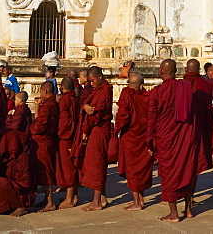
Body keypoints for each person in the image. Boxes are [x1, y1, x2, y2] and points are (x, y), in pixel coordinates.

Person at [148, 58, 199, 222]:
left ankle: (173, 213)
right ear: (176, 72)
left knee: (170, 173)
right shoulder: (185, 88)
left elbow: (152, 118)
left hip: (166, 138)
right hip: (184, 136)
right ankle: (189, 210)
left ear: (160, 72)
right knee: (186, 170)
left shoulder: (156, 92)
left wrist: (150, 140)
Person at [115, 72, 154, 211]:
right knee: (141, 169)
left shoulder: (126, 94)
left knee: (133, 170)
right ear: (142, 85)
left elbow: (123, 114)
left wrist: (117, 129)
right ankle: (141, 199)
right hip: (143, 137)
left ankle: (137, 202)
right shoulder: (147, 97)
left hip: (131, 136)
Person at [78, 66, 113, 211]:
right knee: (99, 163)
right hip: (97, 130)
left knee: (96, 164)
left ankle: (96, 201)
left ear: (100, 76)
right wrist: (85, 105)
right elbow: (89, 107)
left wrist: (85, 131)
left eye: (92, 81)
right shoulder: (99, 90)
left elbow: (95, 114)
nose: (91, 84)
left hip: (98, 130)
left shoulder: (104, 91)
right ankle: (102, 198)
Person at [182, 58, 213, 176]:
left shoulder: (179, 85)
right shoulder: (206, 85)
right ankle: (190, 193)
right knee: (195, 162)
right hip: (200, 127)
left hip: (182, 130)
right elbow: (209, 109)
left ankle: (185, 192)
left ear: (186, 69)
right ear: (200, 69)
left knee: (184, 161)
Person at [31, 80, 59, 212]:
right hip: (47, 140)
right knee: (44, 170)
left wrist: (32, 128)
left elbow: (39, 126)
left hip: (44, 142)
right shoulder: (50, 104)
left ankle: (50, 203)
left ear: (45, 91)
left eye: (41, 91)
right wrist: (37, 106)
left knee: (46, 170)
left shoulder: (48, 106)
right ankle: (47, 199)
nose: (40, 93)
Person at [56, 76, 80, 209]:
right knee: (73, 166)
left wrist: (61, 134)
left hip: (67, 138)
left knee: (68, 168)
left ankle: (69, 199)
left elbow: (64, 122)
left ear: (62, 87)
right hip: (74, 135)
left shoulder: (65, 100)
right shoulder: (74, 99)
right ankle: (74, 196)